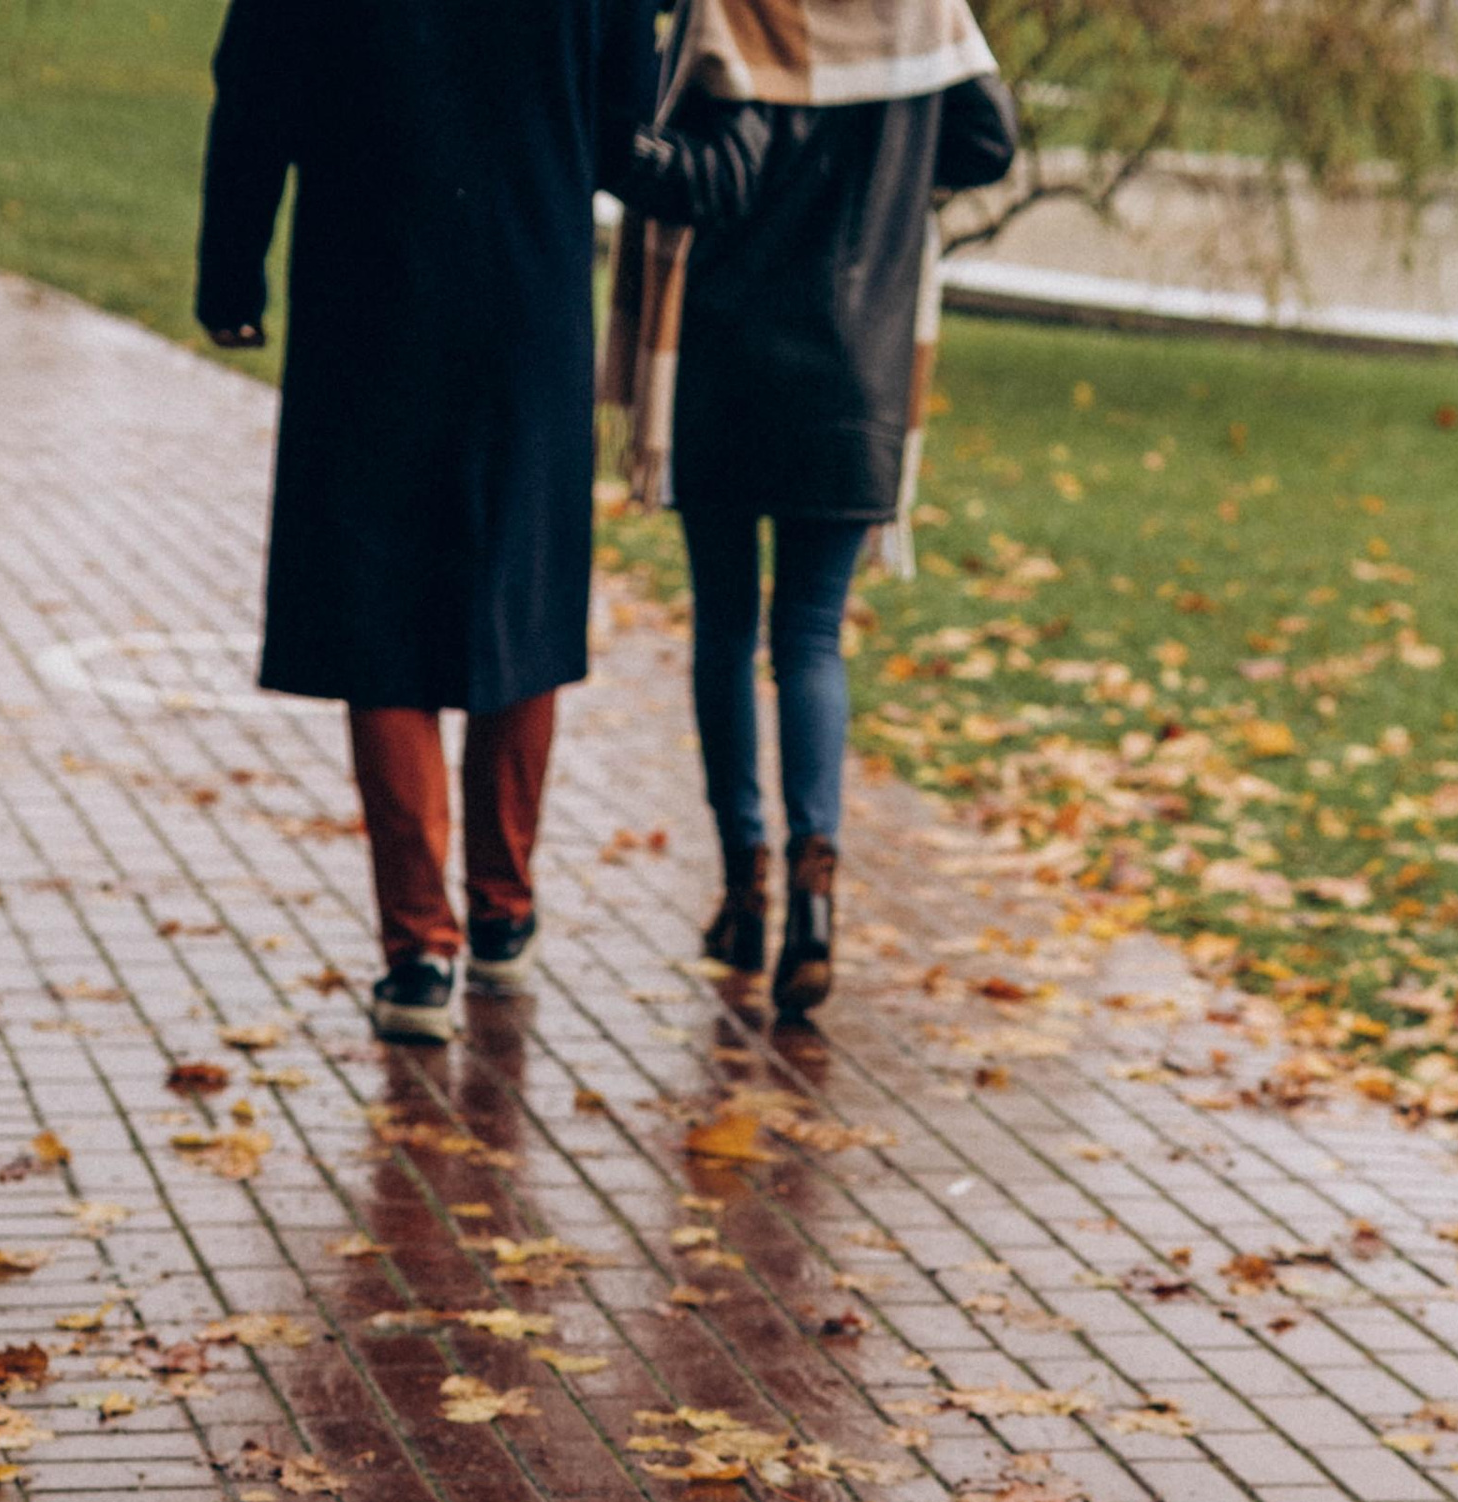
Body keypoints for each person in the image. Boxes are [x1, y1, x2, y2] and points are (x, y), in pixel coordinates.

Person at [197, 0, 655, 1038]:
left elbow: (256, 95)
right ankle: (502, 911)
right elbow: (629, 127)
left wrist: (233, 268)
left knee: (378, 606)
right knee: (520, 589)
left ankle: (417, 954)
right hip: (529, 295)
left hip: (370, 293)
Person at [604, 0, 1015, 1021]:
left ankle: (744, 889)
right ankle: (815, 906)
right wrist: (884, 173)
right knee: (812, 638)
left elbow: (713, 179)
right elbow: (987, 143)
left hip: (728, 366)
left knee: (727, 627)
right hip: (858, 376)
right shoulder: (924, 15)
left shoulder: (741, 11)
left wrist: (602, 140)